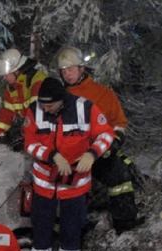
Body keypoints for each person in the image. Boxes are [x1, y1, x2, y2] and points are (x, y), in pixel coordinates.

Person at [23, 77, 115, 251]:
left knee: (70, 234)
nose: (46, 109)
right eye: (43, 105)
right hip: (44, 182)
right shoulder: (34, 111)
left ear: (62, 101)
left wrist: (92, 154)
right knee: (41, 232)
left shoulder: (85, 108)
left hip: (76, 184)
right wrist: (52, 156)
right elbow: (30, 144)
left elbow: (106, 134)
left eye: (50, 106)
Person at [55, 46, 141, 234]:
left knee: (119, 173)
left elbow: (118, 123)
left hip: (98, 152)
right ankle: (66, 227)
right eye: (63, 71)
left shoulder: (103, 94)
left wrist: (113, 143)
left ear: (81, 69)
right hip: (69, 155)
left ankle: (125, 222)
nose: (67, 74)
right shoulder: (58, 97)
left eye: (70, 69)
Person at [0, 48, 48, 149]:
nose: (4, 78)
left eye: (5, 75)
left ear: (16, 70)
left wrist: (28, 138)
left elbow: (39, 115)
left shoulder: (37, 81)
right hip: (33, 131)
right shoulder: (13, 87)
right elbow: (7, 111)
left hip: (48, 134)